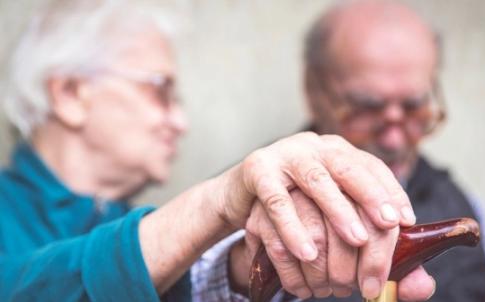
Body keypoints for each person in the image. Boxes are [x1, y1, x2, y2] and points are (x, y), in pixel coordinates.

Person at [0, 1, 435, 301]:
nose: (180, 122)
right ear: (70, 93)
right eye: (161, 91)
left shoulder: (122, 223)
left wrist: (260, 256)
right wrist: (216, 201)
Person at [301, 0, 485, 301]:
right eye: (367, 108)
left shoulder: (463, 206)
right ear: (314, 91)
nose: (394, 142)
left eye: (414, 107)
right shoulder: (257, 210)